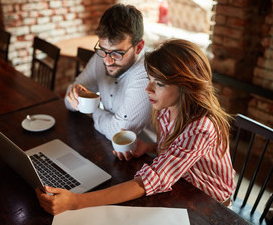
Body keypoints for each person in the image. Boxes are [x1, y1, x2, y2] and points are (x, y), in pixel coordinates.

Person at [36, 39, 236, 215]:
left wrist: (75, 202)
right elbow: (177, 149)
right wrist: (150, 147)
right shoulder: (169, 108)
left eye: (159, 83)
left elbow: (151, 180)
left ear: (186, 86)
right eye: (149, 79)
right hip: (183, 183)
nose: (148, 89)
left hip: (211, 203)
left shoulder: (200, 128)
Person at [64, 4, 152, 141]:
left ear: (138, 47)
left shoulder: (147, 74)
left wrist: (92, 110)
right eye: (103, 50)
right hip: (104, 144)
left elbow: (118, 134)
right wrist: (73, 94)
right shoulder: (102, 57)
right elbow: (68, 102)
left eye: (117, 53)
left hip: (145, 155)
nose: (107, 61)